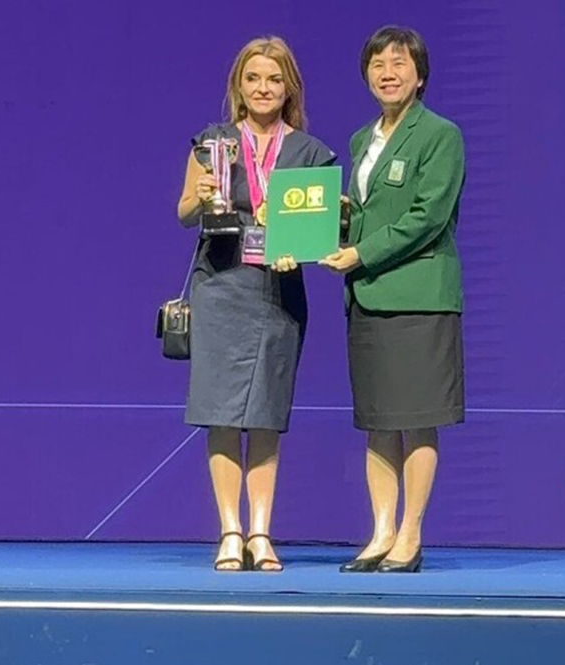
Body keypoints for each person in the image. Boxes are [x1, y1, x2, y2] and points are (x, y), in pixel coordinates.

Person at [176, 36, 335, 572]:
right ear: (238, 87)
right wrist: (201, 196)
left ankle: (261, 534)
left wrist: (306, 245)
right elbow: (183, 213)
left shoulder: (310, 152)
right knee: (221, 415)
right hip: (221, 286)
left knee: (265, 415)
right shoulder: (212, 142)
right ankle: (230, 532)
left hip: (278, 294)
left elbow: (324, 228)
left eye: (273, 79)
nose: (263, 88)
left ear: (289, 88)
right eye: (253, 79)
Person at [321, 26, 466, 573]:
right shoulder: (362, 139)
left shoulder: (441, 135)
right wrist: (329, 222)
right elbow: (369, 212)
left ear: (420, 75)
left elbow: (427, 217)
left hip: (419, 296)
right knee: (379, 421)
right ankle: (381, 533)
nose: (388, 73)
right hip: (367, 296)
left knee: (418, 419)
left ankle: (411, 534)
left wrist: (360, 252)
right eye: (378, 64)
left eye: (399, 63)